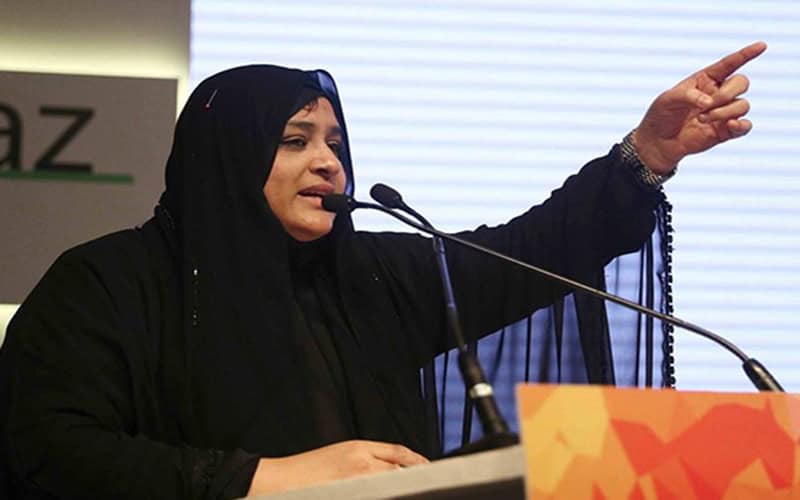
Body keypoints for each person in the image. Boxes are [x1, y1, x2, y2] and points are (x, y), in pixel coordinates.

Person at [0, 42, 766, 498]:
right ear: (225, 156)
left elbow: (530, 253)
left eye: (335, 144)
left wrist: (647, 155)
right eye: (295, 140)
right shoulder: (110, 283)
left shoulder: (372, 272)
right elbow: (45, 448)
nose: (329, 163)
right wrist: (263, 479)